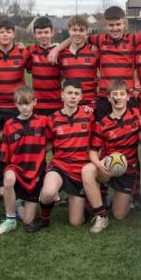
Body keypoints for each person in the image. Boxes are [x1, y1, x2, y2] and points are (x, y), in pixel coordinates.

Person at [27, 80, 95, 232]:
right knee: (49, 192)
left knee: (76, 222)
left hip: (79, 169)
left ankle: (83, 205)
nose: (73, 96)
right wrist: (29, 154)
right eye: (69, 93)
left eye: (76, 94)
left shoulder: (89, 116)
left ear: (81, 97)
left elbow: (95, 142)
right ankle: (44, 219)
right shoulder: (53, 119)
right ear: (62, 95)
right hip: (60, 166)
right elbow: (49, 143)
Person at [0, 85, 52, 235]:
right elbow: (4, 154)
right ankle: (10, 219)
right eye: (20, 104)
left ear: (34, 102)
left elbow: (55, 139)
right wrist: (0, 184)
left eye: (28, 103)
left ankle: (17, 204)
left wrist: (40, 151)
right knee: (9, 178)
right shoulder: (9, 124)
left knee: (28, 221)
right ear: (15, 104)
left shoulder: (43, 121)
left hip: (35, 172)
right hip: (16, 168)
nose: (24, 107)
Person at [84, 79, 141, 233]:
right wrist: (98, 164)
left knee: (119, 215)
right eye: (114, 94)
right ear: (109, 98)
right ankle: (101, 216)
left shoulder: (137, 115)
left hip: (128, 170)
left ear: (128, 97)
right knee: (88, 170)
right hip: (108, 167)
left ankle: (119, 194)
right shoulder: (102, 123)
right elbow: (93, 151)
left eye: (122, 94)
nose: (118, 97)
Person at [0, 19, 29, 204]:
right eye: (1, 32)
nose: (5, 35)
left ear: (14, 34)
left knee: (17, 147)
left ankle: (18, 186)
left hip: (16, 108)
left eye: (9, 32)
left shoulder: (22, 52)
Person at [58, 15, 99, 108]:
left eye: (81, 30)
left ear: (86, 32)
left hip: (90, 103)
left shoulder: (94, 51)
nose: (77, 33)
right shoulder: (61, 54)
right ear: (69, 31)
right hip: (69, 105)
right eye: (74, 30)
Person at [26, 17, 63, 116]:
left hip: (56, 103)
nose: (43, 35)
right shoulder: (30, 50)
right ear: (34, 34)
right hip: (37, 105)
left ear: (52, 33)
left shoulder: (60, 52)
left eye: (46, 32)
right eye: (39, 32)